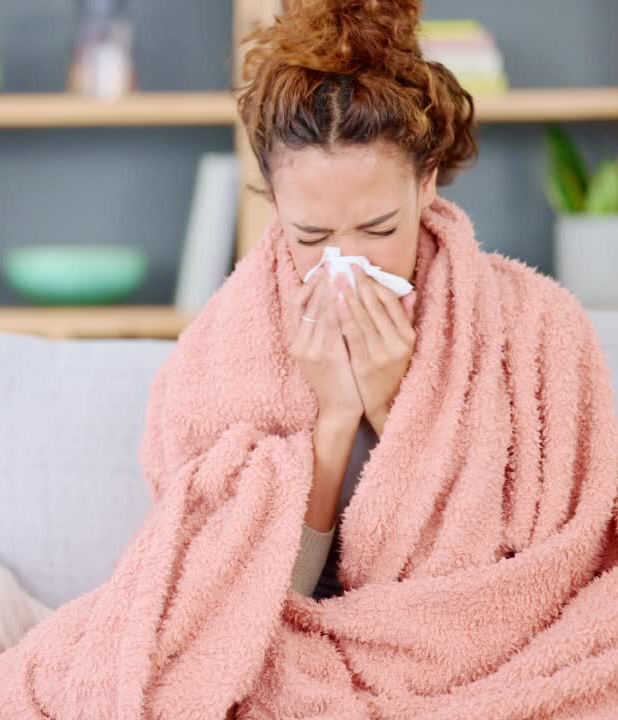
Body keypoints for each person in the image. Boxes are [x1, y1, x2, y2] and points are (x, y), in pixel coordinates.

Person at [231, 0, 478, 600]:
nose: (349, 262)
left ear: (425, 184)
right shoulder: (227, 344)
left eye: (378, 228)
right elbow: (241, 611)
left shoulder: (526, 323)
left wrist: (394, 407)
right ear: (275, 205)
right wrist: (337, 417)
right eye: (313, 237)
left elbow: (485, 588)